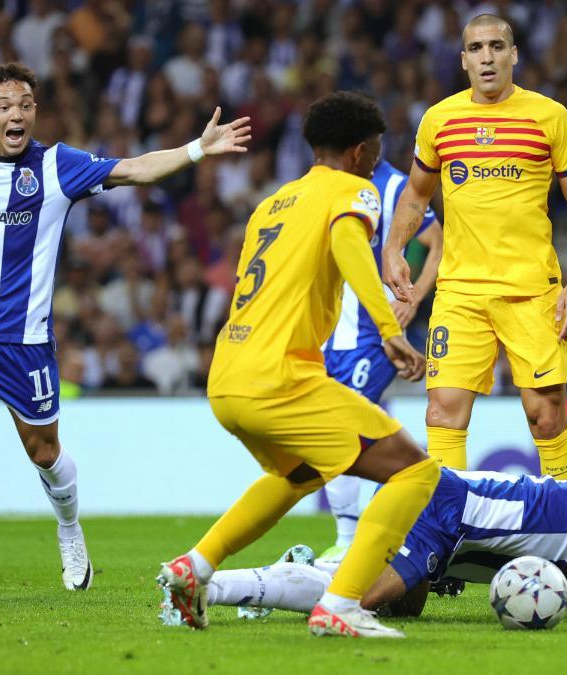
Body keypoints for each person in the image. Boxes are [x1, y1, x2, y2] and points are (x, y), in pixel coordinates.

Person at [0, 62, 251, 592]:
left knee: (45, 454)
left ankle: (69, 529)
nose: (17, 115)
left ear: (35, 112)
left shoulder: (59, 167)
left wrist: (197, 149)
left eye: (26, 105)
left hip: (23, 343)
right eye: (6, 106)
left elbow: (136, 169)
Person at [156, 92, 441, 639]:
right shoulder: (354, 190)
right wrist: (389, 328)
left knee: (298, 473)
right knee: (415, 469)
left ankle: (193, 569)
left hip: (228, 376)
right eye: (376, 152)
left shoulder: (274, 203)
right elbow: (348, 246)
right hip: (282, 377)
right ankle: (341, 604)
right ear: (361, 151)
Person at [383, 14, 567, 480]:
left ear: (514, 54)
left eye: (497, 47)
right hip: (460, 292)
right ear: (463, 61)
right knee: (441, 412)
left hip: (531, 291)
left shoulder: (550, 116)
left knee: (545, 417)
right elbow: (417, 195)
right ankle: (449, 537)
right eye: (476, 49)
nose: (487, 57)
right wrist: (394, 248)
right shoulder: (439, 120)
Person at [199, 452, 567, 623]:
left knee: (401, 609)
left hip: (452, 521)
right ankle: (212, 587)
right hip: (448, 507)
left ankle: (294, 571)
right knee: (352, 602)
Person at [317, 157, 442, 567]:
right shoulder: (332, 186)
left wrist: (415, 297)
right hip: (330, 333)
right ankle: (362, 534)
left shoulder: (396, 188)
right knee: (336, 429)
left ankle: (351, 539)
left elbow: (437, 241)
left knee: (341, 426)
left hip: (374, 335)